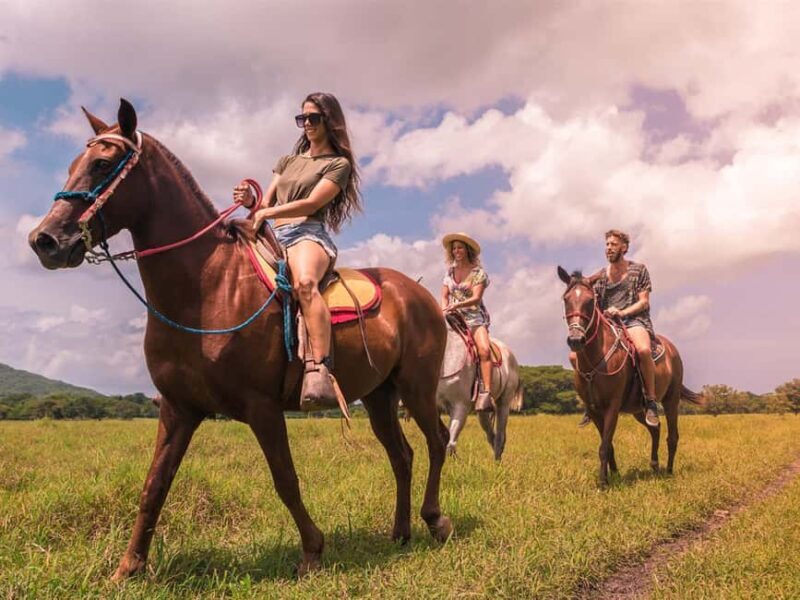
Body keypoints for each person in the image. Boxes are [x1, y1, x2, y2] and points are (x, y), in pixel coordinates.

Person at [233, 92, 361, 411]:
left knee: (305, 284)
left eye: (313, 118)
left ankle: (320, 368)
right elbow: (265, 204)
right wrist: (252, 202)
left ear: (329, 121)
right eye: (302, 119)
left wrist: (266, 213)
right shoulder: (287, 162)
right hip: (274, 234)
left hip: (308, 233)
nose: (306, 125)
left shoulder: (338, 164)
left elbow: (312, 203)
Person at [574, 229, 660, 428]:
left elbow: (644, 302)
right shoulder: (602, 276)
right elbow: (586, 291)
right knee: (574, 356)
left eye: (613, 244)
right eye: (607, 245)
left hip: (634, 321)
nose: (609, 248)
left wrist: (622, 312)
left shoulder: (639, 270)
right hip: (608, 325)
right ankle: (590, 401)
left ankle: (651, 401)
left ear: (624, 247)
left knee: (643, 350)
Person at [440, 233, 494, 412]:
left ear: (467, 250)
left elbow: (476, 299)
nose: (456, 251)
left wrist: (456, 305)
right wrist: (444, 309)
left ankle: (486, 392)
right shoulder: (449, 272)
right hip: (452, 318)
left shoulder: (478, 273)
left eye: (460, 248)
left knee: (484, 350)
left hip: (473, 319)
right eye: (454, 248)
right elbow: (444, 295)